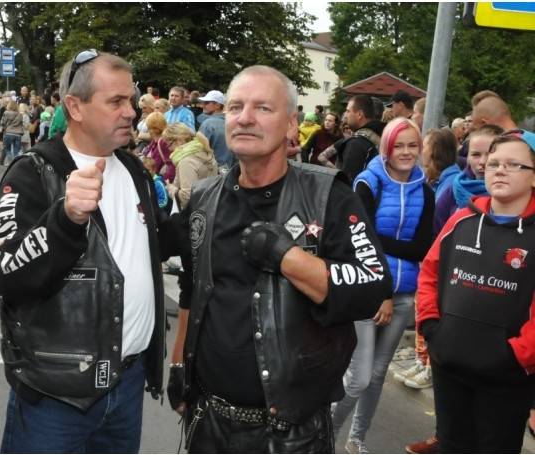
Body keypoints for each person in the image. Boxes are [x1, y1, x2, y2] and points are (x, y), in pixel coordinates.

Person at [167, 65, 391, 453]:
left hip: (292, 435)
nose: (245, 117)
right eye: (236, 106)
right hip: (209, 422)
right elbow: (192, 286)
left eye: (263, 108)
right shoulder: (204, 197)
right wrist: (178, 366)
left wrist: (287, 256)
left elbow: (372, 285)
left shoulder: (329, 196)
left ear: (291, 126)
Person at [0, 50, 170, 454]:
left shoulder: (135, 170)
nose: (130, 112)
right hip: (56, 398)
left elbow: (158, 243)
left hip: (127, 384)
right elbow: (4, 272)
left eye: (132, 101)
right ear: (75, 106)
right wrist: (66, 218)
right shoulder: (33, 171)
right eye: (116, 102)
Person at [417, 131, 535, 453]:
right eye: (494, 163)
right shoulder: (461, 219)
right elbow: (429, 274)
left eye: (513, 165)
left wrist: (515, 355)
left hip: (505, 378)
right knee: (450, 447)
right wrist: (430, 327)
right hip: (449, 367)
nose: (498, 170)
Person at [331, 118, 434, 454]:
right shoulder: (368, 183)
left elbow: (421, 247)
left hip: (404, 296)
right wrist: (383, 292)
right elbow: (361, 241)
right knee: (358, 378)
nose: (405, 152)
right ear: (386, 148)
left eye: (412, 145)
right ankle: (323, 435)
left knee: (376, 377)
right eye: (398, 145)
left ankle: (356, 440)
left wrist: (380, 240)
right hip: (368, 293)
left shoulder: (425, 189)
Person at [162, 122, 218, 210]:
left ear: (179, 140)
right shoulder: (203, 149)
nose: (169, 149)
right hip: (210, 205)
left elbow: (187, 197)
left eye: (169, 144)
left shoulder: (186, 161)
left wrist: (171, 189)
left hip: (196, 212)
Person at [337, 95, 384, 183]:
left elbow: (347, 182)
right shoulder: (385, 135)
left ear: (359, 114)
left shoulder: (355, 144)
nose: (346, 115)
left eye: (348, 111)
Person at [197, 90, 233, 171]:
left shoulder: (208, 124)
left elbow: (199, 150)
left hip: (214, 170)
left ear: (217, 105)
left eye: (207, 103)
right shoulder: (233, 122)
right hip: (232, 170)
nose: (203, 105)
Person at [422, 128, 461, 200]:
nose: (421, 151)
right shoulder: (433, 177)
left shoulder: (451, 184)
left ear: (435, 151)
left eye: (423, 147)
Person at [142, 111, 175, 182]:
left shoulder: (163, 141)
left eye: (149, 127)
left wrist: (162, 181)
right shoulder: (154, 140)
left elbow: (171, 165)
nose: (148, 130)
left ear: (154, 128)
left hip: (160, 180)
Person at [0, 100, 23, 165]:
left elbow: (2, 122)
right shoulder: (20, 114)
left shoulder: (6, 113)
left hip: (9, 132)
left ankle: (10, 163)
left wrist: (3, 128)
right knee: (16, 151)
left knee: (7, 149)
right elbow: (21, 124)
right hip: (18, 134)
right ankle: (16, 163)